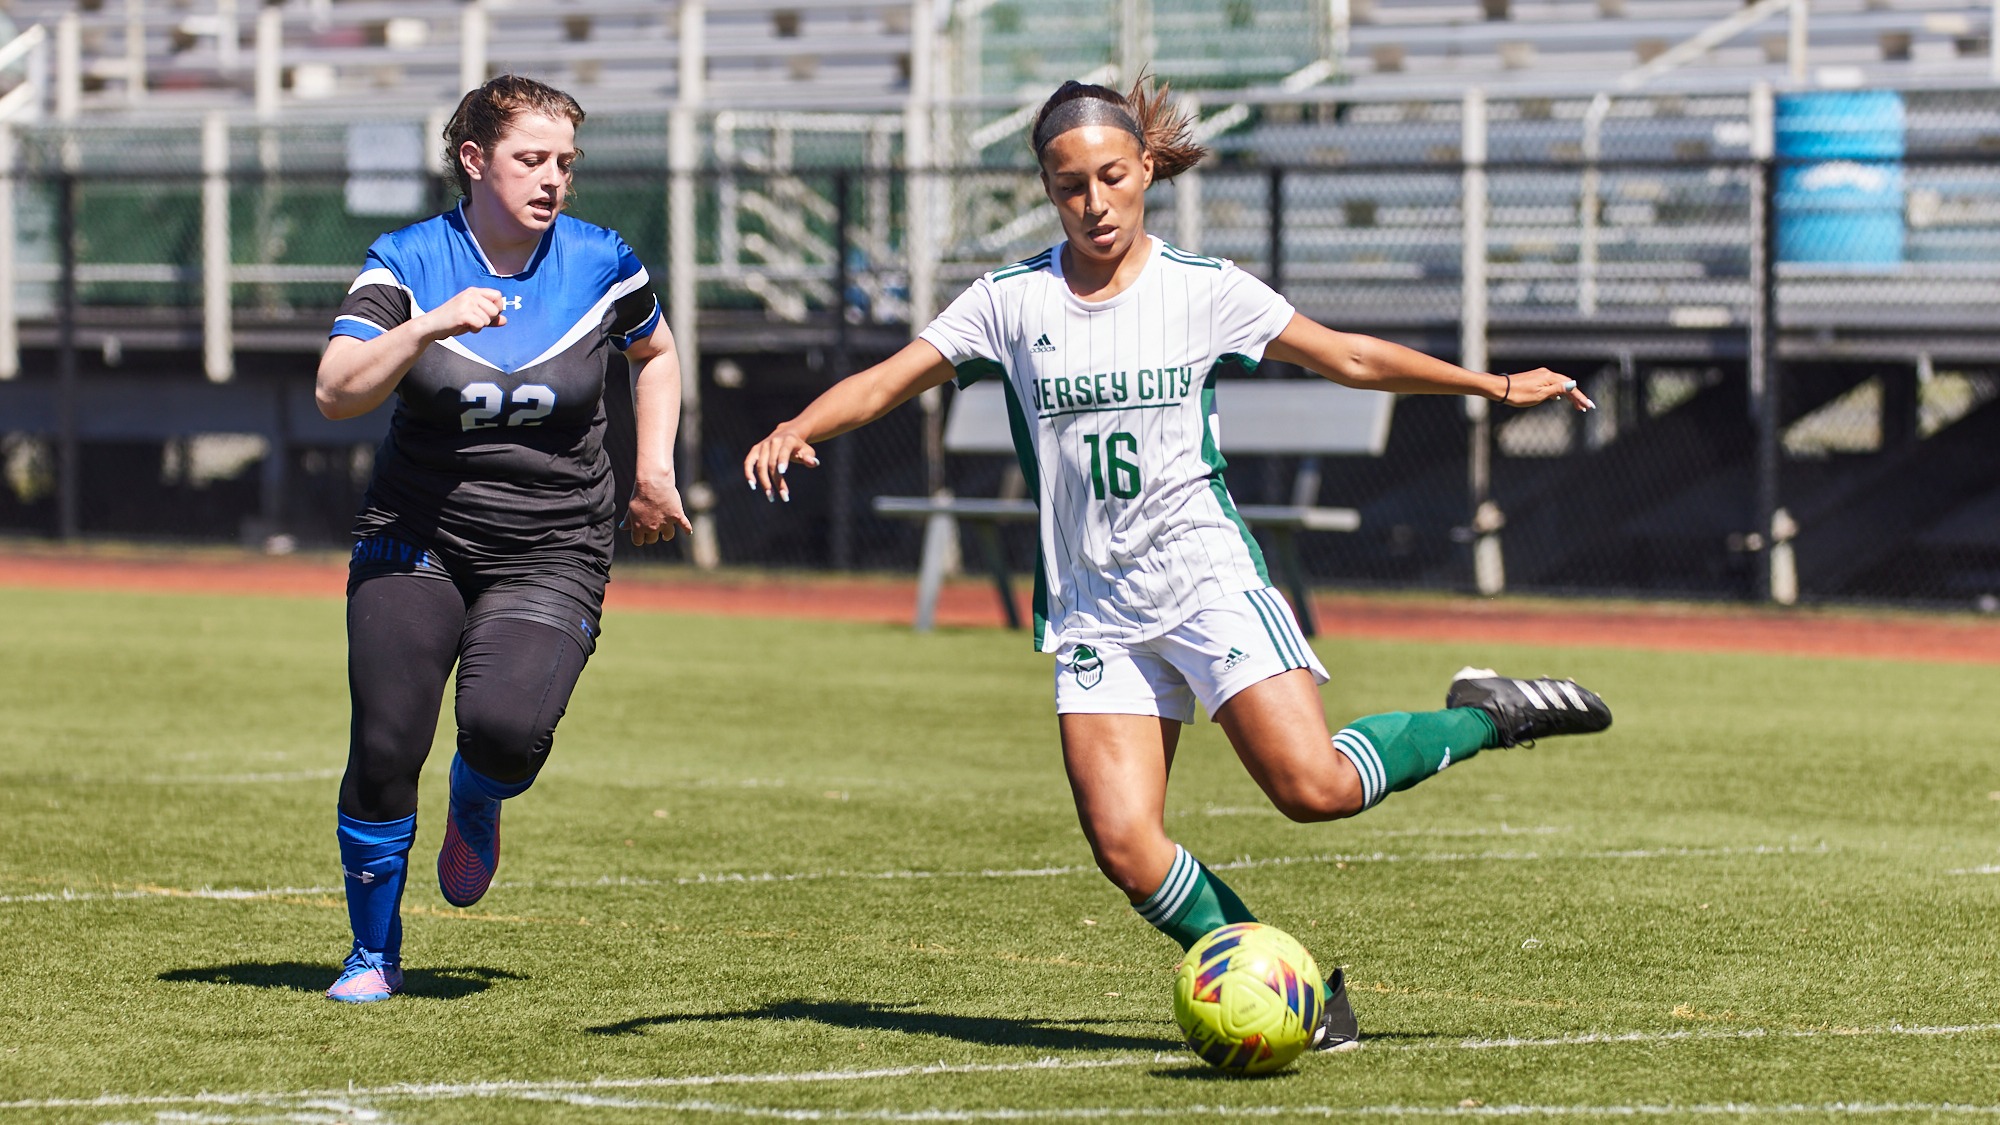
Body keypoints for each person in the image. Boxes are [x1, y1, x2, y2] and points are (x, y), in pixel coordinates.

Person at [743, 77, 1613, 1050]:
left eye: (1111, 177)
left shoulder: (1202, 290)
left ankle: (1482, 714)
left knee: (1312, 789)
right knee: (1124, 844)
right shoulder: (1008, 301)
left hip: (1205, 581)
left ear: (1146, 169)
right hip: (1093, 613)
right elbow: (889, 379)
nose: (1093, 202)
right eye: (1068, 184)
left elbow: (1350, 359)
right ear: (1045, 188)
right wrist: (800, 423)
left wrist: (1493, 383)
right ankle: (1295, 1000)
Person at [314, 76, 692, 1003]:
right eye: (531, 159)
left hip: (553, 542)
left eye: (565, 162)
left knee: (508, 730)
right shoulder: (405, 260)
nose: (553, 178)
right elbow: (337, 388)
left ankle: (478, 792)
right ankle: (373, 951)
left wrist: (655, 470)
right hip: (417, 535)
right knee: (385, 743)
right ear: (474, 161)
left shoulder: (603, 261)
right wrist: (433, 324)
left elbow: (656, 352)